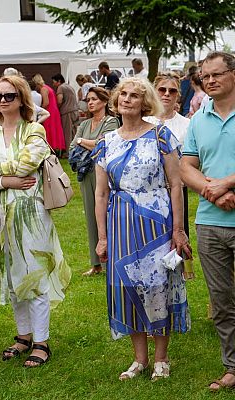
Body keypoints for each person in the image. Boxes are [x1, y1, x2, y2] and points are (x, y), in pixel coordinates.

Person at [93, 77, 191, 381]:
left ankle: (161, 358)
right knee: (127, 286)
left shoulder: (160, 135)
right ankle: (139, 359)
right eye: (123, 94)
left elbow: (176, 184)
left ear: (145, 102)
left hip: (156, 220)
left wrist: (177, 229)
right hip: (120, 221)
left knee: (156, 283)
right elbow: (100, 193)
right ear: (116, 99)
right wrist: (102, 237)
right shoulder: (106, 142)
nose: (128, 99)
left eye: (135, 95)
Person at [0, 75, 71, 368]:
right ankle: (23, 335)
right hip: (0, 218)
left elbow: (30, 162)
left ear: (22, 98)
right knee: (14, 278)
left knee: (34, 275)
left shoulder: (34, 129)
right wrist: (7, 180)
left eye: (9, 95)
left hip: (31, 216)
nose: (3, 100)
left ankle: (41, 341)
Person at [180, 51, 235, 392]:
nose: (210, 80)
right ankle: (232, 367)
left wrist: (227, 183)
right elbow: (187, 166)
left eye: (216, 74)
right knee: (222, 300)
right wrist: (214, 191)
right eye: (205, 76)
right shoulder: (198, 118)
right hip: (211, 222)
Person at [69, 87, 120, 276]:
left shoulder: (111, 121)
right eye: (88, 100)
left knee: (106, 215)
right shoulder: (85, 123)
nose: (90, 103)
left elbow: (105, 144)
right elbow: (72, 145)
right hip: (86, 173)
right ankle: (96, 263)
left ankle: (111, 260)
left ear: (104, 102)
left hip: (105, 173)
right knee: (91, 216)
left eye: (94, 99)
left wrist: (83, 141)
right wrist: (87, 142)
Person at [144, 71, 191, 236]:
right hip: (148, 190)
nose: (166, 94)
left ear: (177, 95)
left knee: (177, 237)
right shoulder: (144, 122)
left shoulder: (187, 124)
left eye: (172, 91)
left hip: (176, 188)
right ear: (154, 91)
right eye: (162, 89)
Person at [32, 73, 65, 152]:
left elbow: (46, 102)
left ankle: (50, 148)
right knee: (55, 129)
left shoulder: (43, 89)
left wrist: (40, 111)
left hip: (49, 111)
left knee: (49, 129)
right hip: (54, 110)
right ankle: (56, 147)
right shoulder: (48, 87)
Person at [51, 73, 79, 156]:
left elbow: (59, 100)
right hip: (75, 110)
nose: (53, 84)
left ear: (59, 81)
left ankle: (68, 153)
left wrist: (57, 108)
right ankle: (75, 150)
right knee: (74, 132)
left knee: (67, 133)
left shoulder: (61, 87)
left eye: (54, 82)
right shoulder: (69, 86)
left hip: (67, 112)